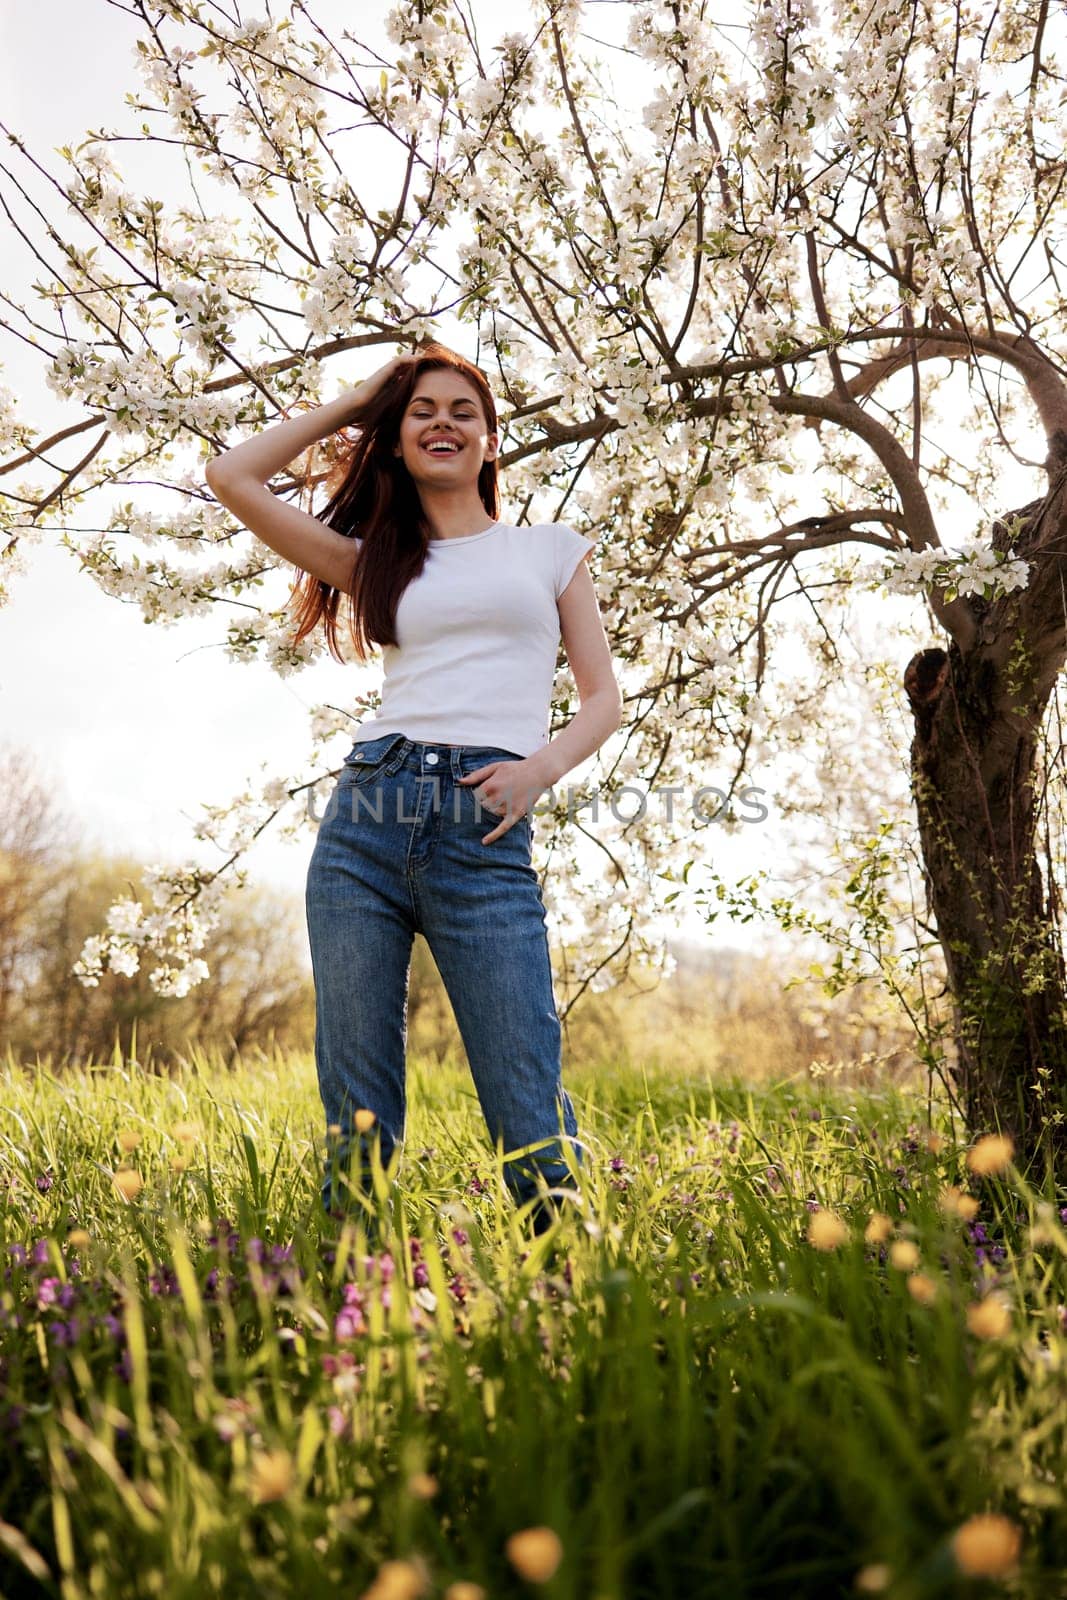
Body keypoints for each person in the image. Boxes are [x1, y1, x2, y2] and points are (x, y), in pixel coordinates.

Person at [204, 341, 622, 1241]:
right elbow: (232, 476)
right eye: (421, 410)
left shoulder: (549, 551)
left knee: (525, 1094)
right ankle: (347, 1298)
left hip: (483, 826)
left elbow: (602, 699)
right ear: (395, 441)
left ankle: (579, 1296)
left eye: (462, 411)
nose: (442, 422)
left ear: (489, 441)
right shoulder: (374, 561)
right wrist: (360, 398)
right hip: (367, 819)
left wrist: (537, 770)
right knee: (357, 1105)